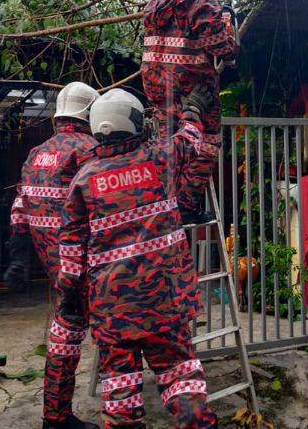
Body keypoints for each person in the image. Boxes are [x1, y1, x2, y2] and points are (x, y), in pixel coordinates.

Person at [56, 87, 217, 428]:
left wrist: (69, 293)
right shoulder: (160, 158)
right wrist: (193, 108)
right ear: (134, 125)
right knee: (180, 377)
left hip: (113, 310)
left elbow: (71, 253)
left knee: (121, 393)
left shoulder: (83, 180)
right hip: (166, 300)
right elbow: (190, 139)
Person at [4, 81, 101, 429]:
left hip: (53, 265)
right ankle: (125, 412)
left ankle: (55, 416)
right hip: (90, 265)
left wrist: (20, 254)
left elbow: (19, 206)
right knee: (120, 335)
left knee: (63, 337)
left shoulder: (35, 154)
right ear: (90, 114)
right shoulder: (90, 150)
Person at [141, 0, 237, 222]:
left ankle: (166, 204)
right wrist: (228, 25)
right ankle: (186, 206)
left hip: (159, 90)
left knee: (169, 148)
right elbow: (224, 50)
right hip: (193, 93)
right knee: (205, 145)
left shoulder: (153, 3)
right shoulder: (201, 2)